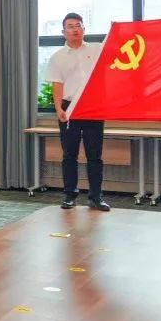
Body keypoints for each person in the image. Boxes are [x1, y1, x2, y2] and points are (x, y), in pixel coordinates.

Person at [44, 13, 109, 211]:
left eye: (78, 25)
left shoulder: (97, 49)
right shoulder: (57, 57)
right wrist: (58, 108)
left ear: (84, 29)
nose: (75, 29)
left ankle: (96, 196)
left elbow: (116, 51)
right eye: (70, 26)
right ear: (63, 32)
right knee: (69, 154)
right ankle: (70, 195)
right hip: (69, 108)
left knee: (94, 155)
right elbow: (57, 85)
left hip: (92, 107)